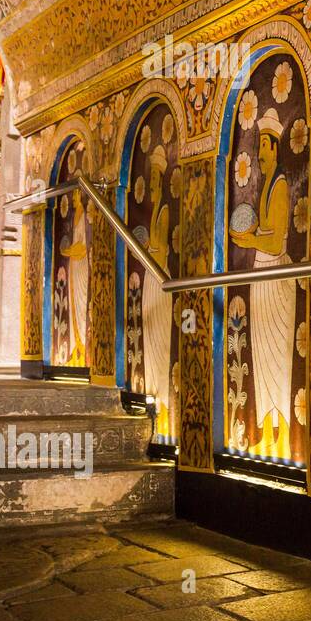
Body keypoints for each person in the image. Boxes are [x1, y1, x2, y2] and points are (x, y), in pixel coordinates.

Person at [230, 108, 295, 459]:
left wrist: (248, 241)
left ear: (275, 148)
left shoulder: (281, 186)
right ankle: (270, 434)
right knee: (262, 357)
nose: (260, 154)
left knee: (278, 361)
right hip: (261, 275)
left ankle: (283, 436)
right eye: (259, 148)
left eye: (266, 147)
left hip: (274, 274)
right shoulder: (266, 186)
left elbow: (274, 240)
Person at [142, 145, 174, 437]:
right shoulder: (155, 211)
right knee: (150, 344)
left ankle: (162, 403)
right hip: (152, 282)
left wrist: (144, 248)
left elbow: (161, 249)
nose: (151, 186)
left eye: (153, 181)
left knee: (159, 343)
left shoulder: (163, 211)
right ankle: (154, 401)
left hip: (159, 280)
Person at [60, 192, 89, 367]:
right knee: (73, 306)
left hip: (81, 264)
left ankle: (84, 348)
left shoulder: (83, 214)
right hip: (74, 265)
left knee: (81, 303)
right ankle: (76, 351)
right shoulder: (76, 214)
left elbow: (83, 245)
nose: (72, 197)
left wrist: (68, 251)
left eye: (75, 194)